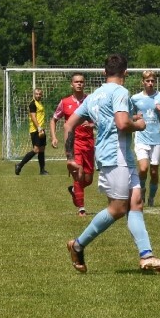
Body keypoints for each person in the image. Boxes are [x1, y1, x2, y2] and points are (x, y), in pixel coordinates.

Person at [64, 54, 160, 274]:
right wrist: (140, 124)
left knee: (136, 203)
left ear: (104, 72)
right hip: (116, 157)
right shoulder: (121, 92)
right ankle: (77, 245)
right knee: (117, 209)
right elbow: (123, 124)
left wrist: (70, 158)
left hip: (119, 156)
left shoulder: (93, 96)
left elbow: (68, 125)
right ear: (126, 72)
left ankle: (146, 256)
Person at [50, 73, 94, 217]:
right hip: (74, 143)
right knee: (78, 174)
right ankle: (81, 208)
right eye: (76, 82)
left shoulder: (91, 100)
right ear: (72, 84)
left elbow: (101, 118)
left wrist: (92, 123)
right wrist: (54, 137)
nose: (79, 84)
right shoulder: (65, 102)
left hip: (89, 143)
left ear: (84, 84)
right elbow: (54, 119)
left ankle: (75, 191)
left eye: (81, 82)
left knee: (88, 179)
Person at [131, 71, 160, 207]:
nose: (150, 83)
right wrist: (135, 117)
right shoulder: (135, 98)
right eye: (147, 81)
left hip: (156, 139)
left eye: (152, 81)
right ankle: (141, 191)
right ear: (143, 82)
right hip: (141, 137)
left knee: (154, 171)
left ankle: (151, 198)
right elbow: (128, 116)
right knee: (143, 168)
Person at [15, 87, 48, 175]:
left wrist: (42, 129)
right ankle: (19, 165)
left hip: (41, 130)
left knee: (42, 149)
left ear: (42, 94)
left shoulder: (40, 103)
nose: (38, 95)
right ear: (34, 94)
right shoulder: (32, 104)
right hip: (36, 130)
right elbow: (33, 117)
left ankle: (42, 170)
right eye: (36, 94)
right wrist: (38, 127)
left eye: (39, 94)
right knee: (36, 150)